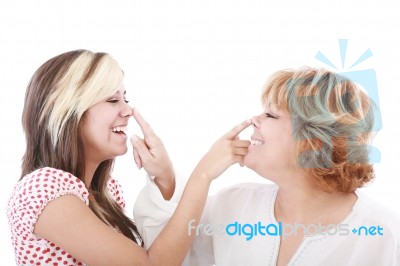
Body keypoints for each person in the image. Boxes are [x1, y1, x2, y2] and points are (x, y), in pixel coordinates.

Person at [6, 49, 252, 266]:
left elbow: (164, 248)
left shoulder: (108, 192)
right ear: (69, 112)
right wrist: (203, 174)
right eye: (113, 100)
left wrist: (164, 175)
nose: (128, 111)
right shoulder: (42, 189)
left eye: (126, 98)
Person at [135, 67, 400, 265]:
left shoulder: (385, 237)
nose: (254, 120)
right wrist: (182, 176)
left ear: (313, 141)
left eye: (271, 114)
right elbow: (168, 256)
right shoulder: (233, 204)